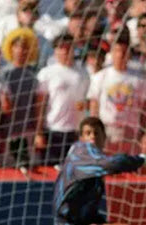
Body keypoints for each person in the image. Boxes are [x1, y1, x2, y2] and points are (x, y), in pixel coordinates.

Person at [53, 117, 146, 225]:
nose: (92, 137)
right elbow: (113, 163)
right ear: (81, 138)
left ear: (104, 138)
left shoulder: (91, 159)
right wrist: (142, 159)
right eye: (88, 133)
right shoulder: (80, 152)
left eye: (97, 133)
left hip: (86, 224)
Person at [36, 33, 90, 167]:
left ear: (74, 49)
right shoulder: (46, 73)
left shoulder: (83, 73)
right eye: (61, 48)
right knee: (51, 172)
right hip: (53, 130)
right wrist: (39, 133)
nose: (65, 51)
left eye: (68, 47)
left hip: (76, 132)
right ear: (55, 50)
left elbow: (88, 102)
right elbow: (40, 104)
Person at [0, 27, 40, 170]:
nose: (21, 51)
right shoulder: (3, 74)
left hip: (28, 130)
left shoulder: (35, 74)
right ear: (10, 48)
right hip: (7, 131)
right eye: (17, 47)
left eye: (25, 47)